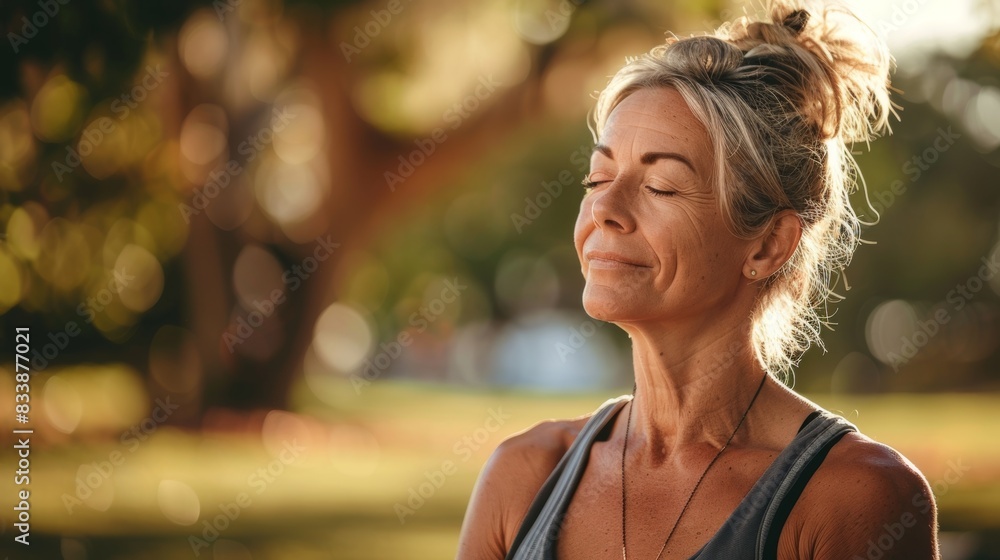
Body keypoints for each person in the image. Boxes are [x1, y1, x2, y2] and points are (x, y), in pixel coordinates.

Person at [457, 1, 940, 559]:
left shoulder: (854, 498)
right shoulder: (522, 475)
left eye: (661, 186)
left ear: (766, 245)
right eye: (598, 177)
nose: (605, 208)